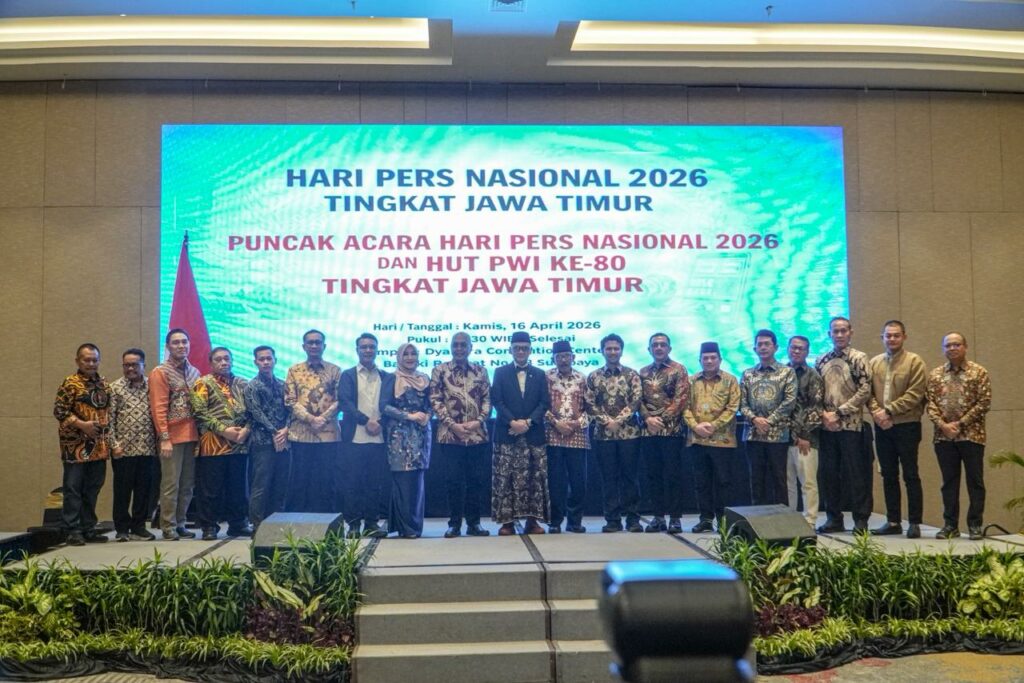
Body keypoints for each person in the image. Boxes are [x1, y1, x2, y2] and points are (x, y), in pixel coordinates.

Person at [926, 332, 992, 540]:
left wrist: (960, 424)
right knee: (949, 483)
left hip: (972, 436)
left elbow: (984, 402)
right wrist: (943, 425)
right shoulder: (935, 375)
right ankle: (950, 525)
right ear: (943, 349)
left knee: (975, 482)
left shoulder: (979, 372)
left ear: (965, 347)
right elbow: (930, 404)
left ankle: (975, 525)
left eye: (956, 344)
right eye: (948, 346)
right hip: (943, 437)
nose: (952, 348)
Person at [868, 320, 928, 539]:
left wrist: (889, 411)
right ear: (882, 338)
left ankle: (914, 522)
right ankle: (893, 521)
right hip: (882, 426)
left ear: (904, 337)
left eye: (896, 335)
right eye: (888, 335)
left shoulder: (915, 362)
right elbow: (867, 393)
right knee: (888, 474)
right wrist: (877, 413)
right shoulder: (874, 363)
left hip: (907, 425)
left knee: (910, 474)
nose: (892, 339)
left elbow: (916, 394)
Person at [430, 332, 492, 538]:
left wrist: (478, 421)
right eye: (455, 345)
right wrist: (452, 425)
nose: (459, 348)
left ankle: (474, 524)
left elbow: (487, 400)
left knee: (476, 481)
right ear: (451, 347)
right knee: (453, 482)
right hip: (450, 436)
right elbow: (435, 400)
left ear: (470, 348)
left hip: (477, 436)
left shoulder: (481, 371)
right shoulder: (440, 370)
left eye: (463, 345)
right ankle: (454, 524)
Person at [814, 316, 873, 535]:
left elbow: (865, 390)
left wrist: (838, 413)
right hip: (827, 427)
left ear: (851, 333)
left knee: (856, 475)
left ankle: (860, 520)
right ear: (829, 334)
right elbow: (815, 392)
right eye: (835, 331)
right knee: (829, 475)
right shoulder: (821, 360)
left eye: (843, 331)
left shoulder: (859, 358)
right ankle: (834, 518)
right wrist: (824, 415)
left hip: (851, 426)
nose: (839, 335)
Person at [491, 331, 550, 535]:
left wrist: (527, 422)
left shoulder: (540, 374)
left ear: (530, 350)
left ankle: (532, 522)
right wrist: (513, 422)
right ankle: (507, 522)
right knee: (506, 478)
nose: (521, 351)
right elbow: (497, 401)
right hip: (507, 433)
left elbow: (544, 402)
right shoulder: (500, 372)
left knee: (534, 478)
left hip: (533, 434)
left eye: (525, 348)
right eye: (517, 348)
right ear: (511, 350)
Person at [54, 343, 113, 546]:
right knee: (73, 488)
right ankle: (72, 530)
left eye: (94, 360)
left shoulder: (104, 384)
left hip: (98, 447)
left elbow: (108, 413)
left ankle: (88, 528)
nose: (91, 363)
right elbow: (59, 411)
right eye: (86, 360)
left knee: (93, 488)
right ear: (78, 361)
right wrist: (82, 425)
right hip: (75, 447)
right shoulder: (70, 383)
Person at [191, 347, 251, 540]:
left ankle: (238, 524)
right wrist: (225, 431)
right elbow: (199, 413)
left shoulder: (243, 383)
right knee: (211, 489)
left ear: (232, 360)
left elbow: (254, 411)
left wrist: (246, 430)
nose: (223, 362)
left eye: (227, 359)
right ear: (211, 363)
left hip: (239, 443)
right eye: (218, 359)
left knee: (238, 488)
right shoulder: (203, 383)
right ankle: (209, 526)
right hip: (213, 445)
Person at [587, 333, 643, 533]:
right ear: (602, 351)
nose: (612, 352)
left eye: (616, 348)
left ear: (621, 351)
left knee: (630, 478)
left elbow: (636, 400)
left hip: (629, 434)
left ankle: (633, 519)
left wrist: (618, 421)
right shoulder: (594, 376)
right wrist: (606, 422)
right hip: (603, 436)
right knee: (608, 479)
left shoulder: (632, 374)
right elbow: (589, 403)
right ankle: (612, 520)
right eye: (608, 349)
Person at [338, 333, 391, 538]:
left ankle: (371, 523)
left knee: (374, 484)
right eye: (364, 347)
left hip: (379, 438)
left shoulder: (386, 376)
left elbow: (391, 405)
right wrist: (365, 421)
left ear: (377, 350)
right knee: (352, 483)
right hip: (354, 438)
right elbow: (345, 402)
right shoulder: (348, 375)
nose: (368, 350)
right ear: (357, 350)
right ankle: (353, 525)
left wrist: (380, 423)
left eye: (371, 347)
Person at [684, 341, 741, 533]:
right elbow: (684, 407)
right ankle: (705, 520)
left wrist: (713, 425)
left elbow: (733, 407)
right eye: (705, 358)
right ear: (699, 360)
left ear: (720, 359)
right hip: (697, 440)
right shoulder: (690, 381)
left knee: (724, 482)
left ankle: (724, 521)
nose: (709, 361)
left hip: (723, 441)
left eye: (713, 358)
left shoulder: (730, 380)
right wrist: (695, 426)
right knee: (702, 483)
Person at [149, 329, 200, 540]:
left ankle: (181, 523)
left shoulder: (195, 372)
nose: (181, 346)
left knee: (187, 485)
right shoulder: (160, 372)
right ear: (168, 346)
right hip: (171, 438)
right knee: (171, 484)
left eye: (184, 342)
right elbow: (158, 407)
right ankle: (168, 526)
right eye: (176, 342)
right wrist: (164, 438)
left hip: (193, 436)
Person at [284, 329, 341, 513]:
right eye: (310, 342)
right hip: (301, 434)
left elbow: (341, 400)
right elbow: (290, 400)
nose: (314, 345)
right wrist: (310, 419)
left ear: (324, 346)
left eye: (318, 342)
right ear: (304, 346)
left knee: (326, 479)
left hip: (328, 434)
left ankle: (326, 520)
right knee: (300, 479)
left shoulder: (335, 370)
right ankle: (299, 521)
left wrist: (322, 418)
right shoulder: (294, 370)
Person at [740, 329, 797, 506]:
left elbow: (789, 401)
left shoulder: (787, 372)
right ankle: (758, 518)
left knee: (779, 480)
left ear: (775, 347)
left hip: (778, 435)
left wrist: (769, 421)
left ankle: (781, 518)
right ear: (755, 349)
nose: (763, 347)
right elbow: (741, 403)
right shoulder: (748, 374)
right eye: (760, 345)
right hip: (753, 435)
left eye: (767, 344)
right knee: (756, 480)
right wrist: (755, 420)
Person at [638, 333, 688, 534]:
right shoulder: (643, 372)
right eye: (655, 345)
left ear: (669, 348)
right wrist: (648, 419)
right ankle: (658, 517)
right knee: (653, 476)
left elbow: (681, 399)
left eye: (663, 345)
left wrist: (661, 420)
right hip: (649, 431)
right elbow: (638, 400)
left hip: (672, 431)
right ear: (649, 349)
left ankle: (675, 518)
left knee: (673, 475)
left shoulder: (678, 369)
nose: (659, 348)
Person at [382, 343, 432, 539]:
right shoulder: (391, 378)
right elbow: (384, 406)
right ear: (399, 357)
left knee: (417, 481)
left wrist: (428, 416)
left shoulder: (424, 378)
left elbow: (432, 403)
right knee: (403, 480)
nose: (410, 357)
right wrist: (408, 416)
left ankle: (415, 527)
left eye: (413, 354)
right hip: (399, 435)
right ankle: (405, 527)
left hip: (421, 434)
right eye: (406, 354)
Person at [108, 348, 158, 542]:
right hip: (123, 450)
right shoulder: (115, 388)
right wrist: (114, 445)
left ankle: (139, 527)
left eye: (135, 365)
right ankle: (121, 529)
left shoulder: (152, 386)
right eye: (126, 365)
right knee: (122, 491)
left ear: (144, 365)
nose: (130, 368)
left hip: (147, 448)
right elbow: (108, 420)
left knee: (143, 491)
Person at [244, 345, 291, 532]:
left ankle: (276, 524)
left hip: (283, 441)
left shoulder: (283, 385)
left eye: (269, 359)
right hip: (262, 441)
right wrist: (275, 432)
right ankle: (257, 525)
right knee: (261, 485)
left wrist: (285, 430)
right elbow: (256, 413)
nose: (265, 362)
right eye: (261, 359)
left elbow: (290, 410)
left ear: (275, 361)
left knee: (281, 484)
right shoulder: (252, 386)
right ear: (255, 362)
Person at [545, 340, 590, 534]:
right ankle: (555, 521)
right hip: (552, 436)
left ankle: (575, 521)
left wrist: (575, 424)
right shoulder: (546, 378)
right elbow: (541, 405)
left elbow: (591, 407)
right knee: (555, 482)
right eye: (559, 357)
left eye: (566, 356)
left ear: (573, 357)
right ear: (553, 359)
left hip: (577, 436)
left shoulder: (583, 379)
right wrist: (556, 423)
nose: (563, 360)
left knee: (578, 482)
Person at [786, 336, 824, 528]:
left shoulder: (813, 375)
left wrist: (804, 436)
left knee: (807, 482)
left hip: (806, 439)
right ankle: (789, 519)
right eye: (793, 348)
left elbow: (815, 408)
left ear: (807, 352)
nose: (796, 351)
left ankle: (809, 521)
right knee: (788, 483)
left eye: (801, 348)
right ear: (787, 349)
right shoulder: (782, 372)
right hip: (784, 438)